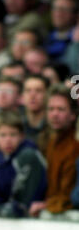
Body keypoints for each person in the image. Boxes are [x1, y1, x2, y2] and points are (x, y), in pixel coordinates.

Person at [29, 83, 79, 216]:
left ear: (73, 115)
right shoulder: (49, 143)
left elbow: (67, 196)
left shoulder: (75, 146)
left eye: (61, 109)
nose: (55, 114)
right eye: (51, 109)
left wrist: (47, 205)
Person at [0, 110, 47, 217]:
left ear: (22, 136)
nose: (8, 140)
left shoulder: (28, 156)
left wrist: (2, 210)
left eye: (13, 134)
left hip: (34, 217)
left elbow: (23, 204)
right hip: (9, 217)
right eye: (3, 135)